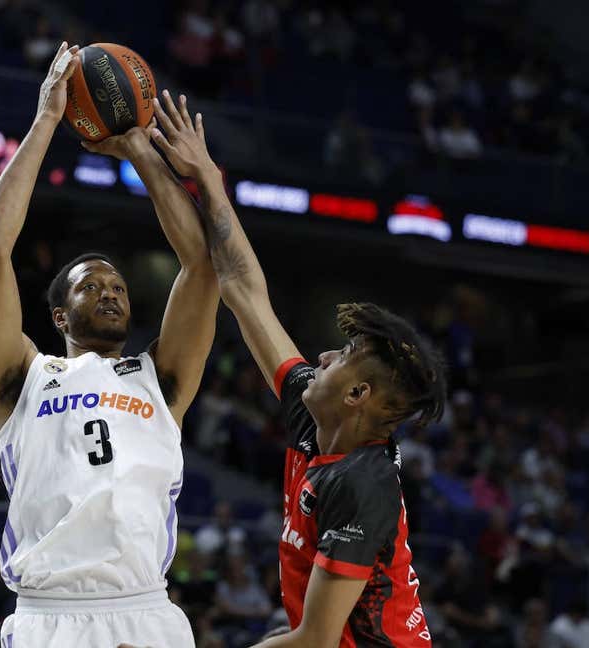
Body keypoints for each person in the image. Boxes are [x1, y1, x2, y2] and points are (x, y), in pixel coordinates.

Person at [147, 91, 444, 647]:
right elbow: (243, 291)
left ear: (356, 393)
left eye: (342, 355)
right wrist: (207, 179)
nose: (322, 357)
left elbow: (314, 642)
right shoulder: (317, 413)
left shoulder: (362, 483)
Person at [0, 43, 217, 648]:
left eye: (118, 285)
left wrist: (138, 149)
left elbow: (203, 267)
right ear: (59, 313)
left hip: (144, 611)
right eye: (91, 285)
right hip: (47, 615)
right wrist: (46, 121)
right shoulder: (23, 376)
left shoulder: (160, 378)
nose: (109, 292)